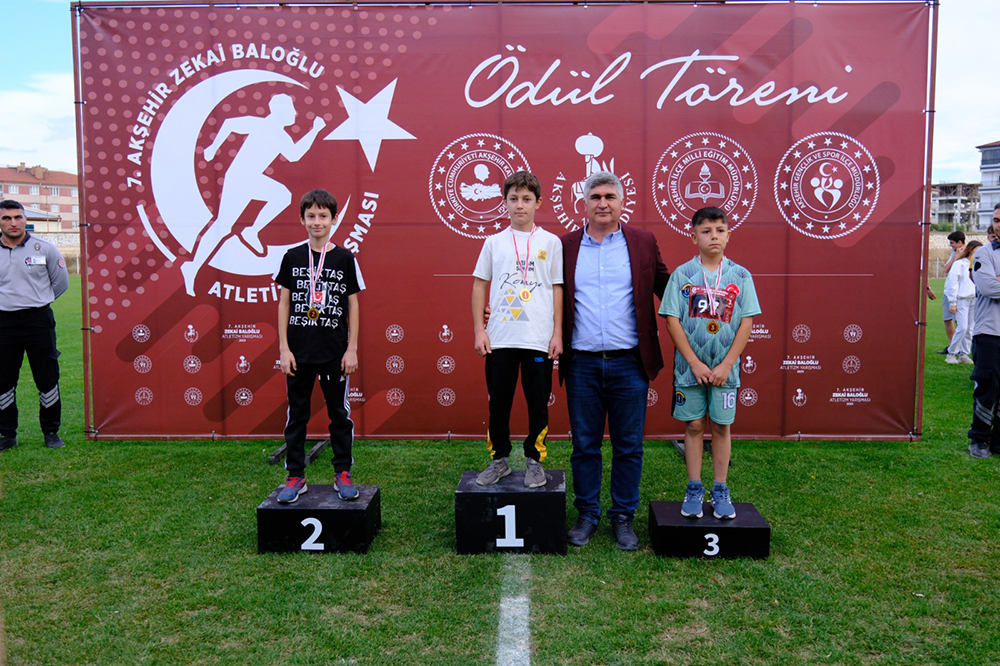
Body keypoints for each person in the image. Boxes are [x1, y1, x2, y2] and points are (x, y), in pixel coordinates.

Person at [560, 171, 670, 550]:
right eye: (595, 197)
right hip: (582, 363)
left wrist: (705, 295)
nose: (602, 203)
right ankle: (587, 515)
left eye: (609, 196)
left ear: (622, 202)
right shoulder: (565, 246)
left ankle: (623, 517)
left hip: (630, 363)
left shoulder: (643, 242)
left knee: (629, 447)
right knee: (585, 446)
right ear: (584, 203)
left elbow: (667, 286)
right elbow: (542, 294)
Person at [659, 207, 760, 519]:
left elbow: (746, 322)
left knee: (721, 426)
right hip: (690, 369)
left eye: (719, 230)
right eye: (706, 231)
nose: (713, 236)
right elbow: (672, 321)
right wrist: (694, 363)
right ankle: (693, 487)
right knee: (693, 425)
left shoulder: (741, 276)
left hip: (724, 371)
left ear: (729, 235)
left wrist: (727, 364)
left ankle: (720, 487)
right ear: (694, 237)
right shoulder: (682, 275)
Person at [472, 172, 564, 488]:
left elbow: (557, 288)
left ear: (538, 202)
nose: (519, 205)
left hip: (538, 339)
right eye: (513, 199)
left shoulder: (551, 242)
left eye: (526, 199)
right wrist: (479, 330)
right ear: (505, 202)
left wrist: (557, 333)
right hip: (500, 339)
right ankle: (499, 460)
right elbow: (479, 285)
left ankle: (534, 462)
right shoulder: (493, 242)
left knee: (538, 404)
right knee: (498, 404)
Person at [274, 189, 364, 501]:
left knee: (339, 415)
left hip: (334, 352)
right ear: (302, 219)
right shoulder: (292, 257)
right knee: (297, 416)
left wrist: (351, 349)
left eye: (323, 216)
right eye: (311, 216)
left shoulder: (344, 258)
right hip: (298, 353)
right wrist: (284, 349)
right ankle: (295, 476)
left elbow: (353, 305)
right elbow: (284, 304)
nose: (317, 222)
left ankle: (343, 473)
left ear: (334, 219)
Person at [0, 200, 69, 451]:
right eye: (6, 218)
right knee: (3, 380)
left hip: (38, 321)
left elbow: (60, 283)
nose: (13, 223)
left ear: (25, 219)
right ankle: (7, 434)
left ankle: (51, 432)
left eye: (17, 217)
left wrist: (38, 301)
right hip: (4, 323)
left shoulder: (45, 248)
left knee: (47, 376)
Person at [968, 205, 1000, 459]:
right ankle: (979, 439)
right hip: (989, 332)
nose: (999, 224)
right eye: (997, 220)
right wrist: (994, 281)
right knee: (987, 388)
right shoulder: (983, 253)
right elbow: (989, 288)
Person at [944, 240, 981, 365]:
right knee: (962, 327)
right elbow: (952, 283)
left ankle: (964, 354)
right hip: (961, 300)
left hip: (974, 300)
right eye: (976, 250)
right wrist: (952, 302)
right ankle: (951, 354)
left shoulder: (978, 264)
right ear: (970, 250)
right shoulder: (959, 264)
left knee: (970, 329)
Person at [938, 230, 967, 354]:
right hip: (949, 291)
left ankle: (960, 348)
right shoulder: (953, 254)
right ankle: (951, 346)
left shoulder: (969, 253)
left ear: (960, 242)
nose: (950, 245)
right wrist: (955, 257)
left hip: (962, 293)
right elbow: (946, 269)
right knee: (947, 318)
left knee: (961, 322)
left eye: (952, 243)